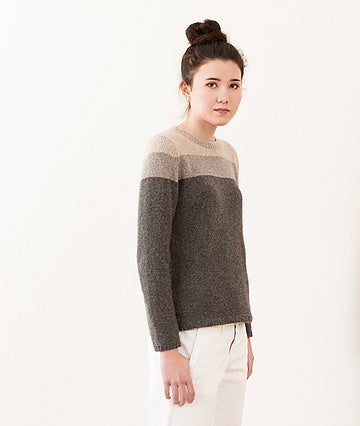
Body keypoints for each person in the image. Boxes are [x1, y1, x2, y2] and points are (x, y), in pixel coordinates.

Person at [136, 19, 253, 426]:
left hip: (232, 334)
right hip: (189, 336)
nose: (224, 96)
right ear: (187, 89)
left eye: (234, 85)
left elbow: (232, 247)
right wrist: (167, 348)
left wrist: (245, 331)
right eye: (212, 84)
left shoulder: (228, 155)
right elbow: (150, 255)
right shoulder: (166, 148)